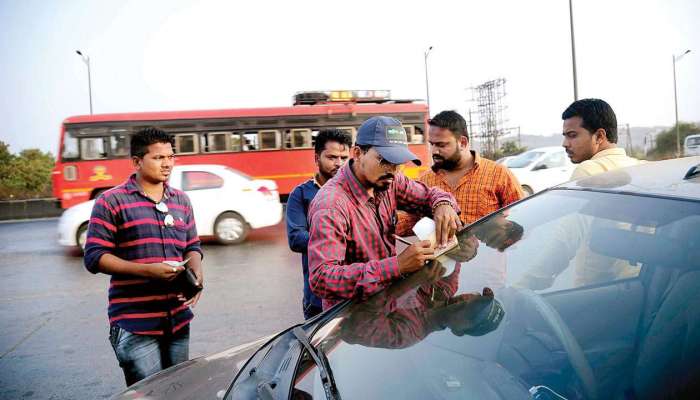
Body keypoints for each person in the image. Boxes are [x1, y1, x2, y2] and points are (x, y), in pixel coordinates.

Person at [84, 127, 203, 386]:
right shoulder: (111, 201)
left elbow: (192, 245)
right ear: (137, 161)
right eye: (159, 158)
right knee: (149, 394)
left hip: (179, 320)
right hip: (135, 324)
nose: (167, 164)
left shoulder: (181, 200)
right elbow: (94, 257)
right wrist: (148, 271)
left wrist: (197, 275)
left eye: (171, 157)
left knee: (179, 391)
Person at [307, 116, 461, 310]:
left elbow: (428, 195)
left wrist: (444, 205)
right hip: (352, 320)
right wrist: (397, 266)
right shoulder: (331, 206)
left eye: (399, 163)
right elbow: (322, 278)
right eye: (385, 161)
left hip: (389, 302)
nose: (393, 170)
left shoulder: (390, 180)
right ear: (357, 153)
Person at [399, 110, 522, 232]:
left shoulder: (499, 174)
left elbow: (523, 216)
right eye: (432, 144)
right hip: (443, 252)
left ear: (462, 143)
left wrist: (495, 230)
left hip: (489, 250)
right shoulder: (425, 181)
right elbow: (411, 221)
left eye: (441, 145)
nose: (434, 151)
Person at [286, 129, 352, 319]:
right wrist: (337, 237)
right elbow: (295, 238)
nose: (339, 164)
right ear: (317, 159)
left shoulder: (357, 191)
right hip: (317, 298)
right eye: (332, 157)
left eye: (343, 157)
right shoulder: (301, 194)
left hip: (355, 292)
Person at [562, 98, 642, 180]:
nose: (564, 144)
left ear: (599, 136)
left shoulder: (587, 171)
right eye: (565, 136)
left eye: (572, 135)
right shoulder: (640, 166)